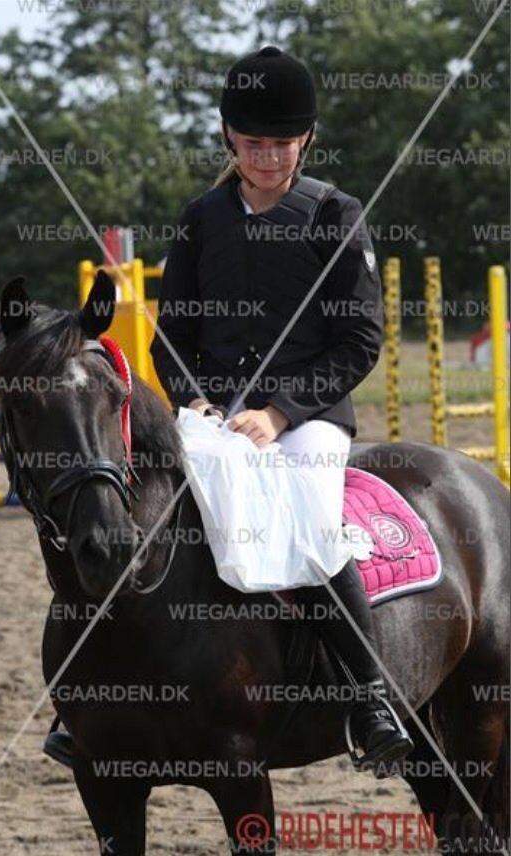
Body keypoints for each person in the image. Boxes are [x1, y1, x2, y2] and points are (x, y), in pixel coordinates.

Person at [149, 45, 414, 774]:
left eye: (282, 143)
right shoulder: (201, 217)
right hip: (215, 412)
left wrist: (281, 412)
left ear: (308, 139)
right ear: (229, 137)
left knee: (311, 518)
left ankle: (369, 699)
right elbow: (170, 337)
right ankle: (107, 699)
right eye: (254, 142)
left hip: (310, 414)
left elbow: (361, 339)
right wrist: (193, 398)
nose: (268, 157)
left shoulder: (335, 213)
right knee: (144, 510)